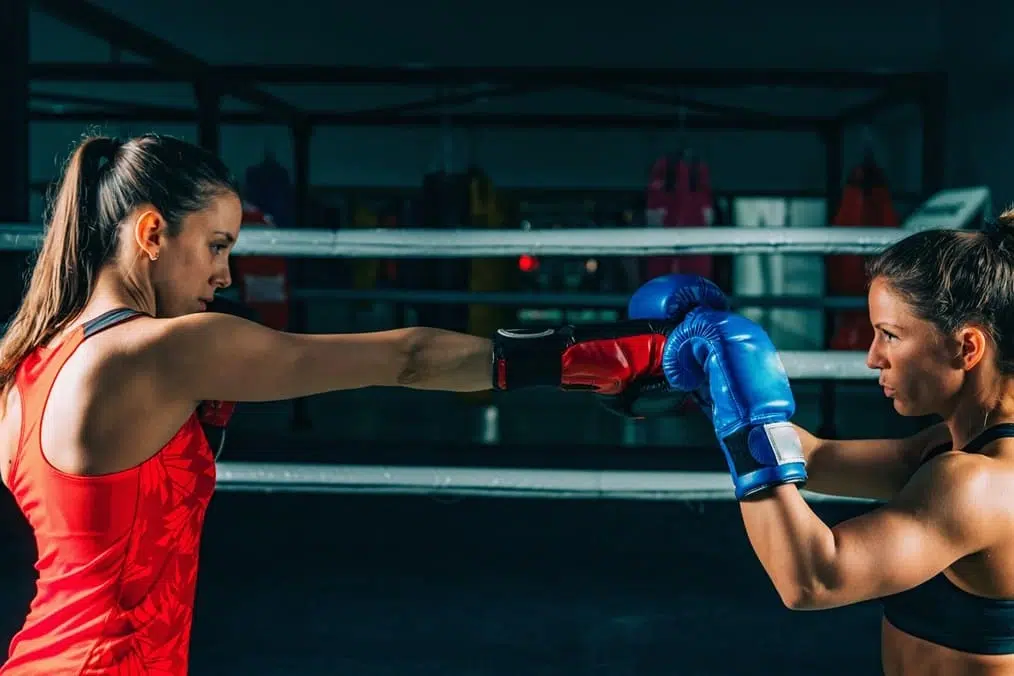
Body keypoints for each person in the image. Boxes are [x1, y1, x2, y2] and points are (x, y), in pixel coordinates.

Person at [0, 133, 715, 675]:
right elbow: (402, 359)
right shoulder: (164, 351)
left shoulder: (26, 370)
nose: (224, 273)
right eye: (216, 246)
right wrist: (593, 359)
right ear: (152, 233)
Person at [634, 218, 1014, 675]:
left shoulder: (977, 484)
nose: (872, 357)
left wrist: (745, 425)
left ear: (966, 348)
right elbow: (815, 457)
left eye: (890, 335)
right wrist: (720, 388)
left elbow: (813, 578)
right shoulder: (952, 447)